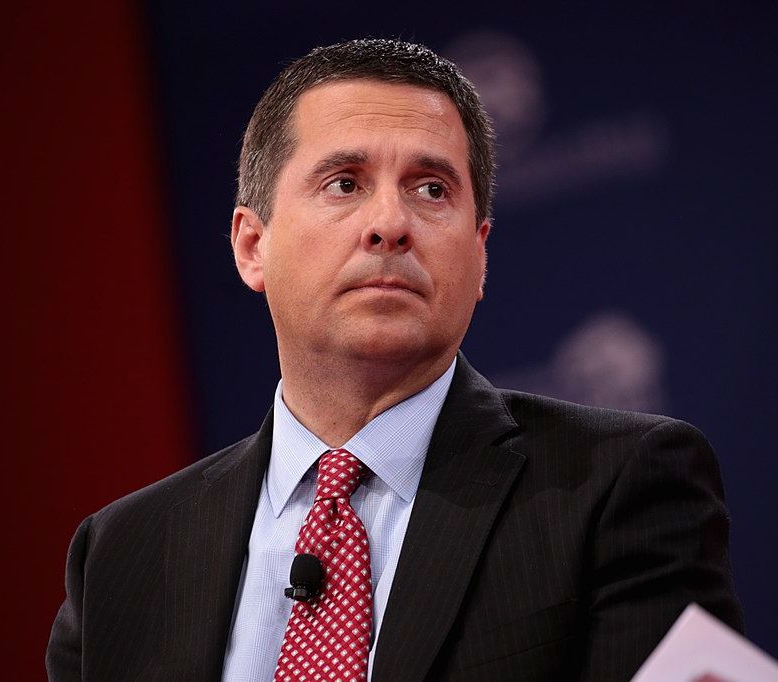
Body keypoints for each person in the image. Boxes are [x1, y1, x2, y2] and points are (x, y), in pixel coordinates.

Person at [46, 38, 743, 681]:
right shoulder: (121, 554)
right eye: (344, 183)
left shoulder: (618, 486)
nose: (391, 223)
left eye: (432, 189)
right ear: (252, 246)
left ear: (480, 255)